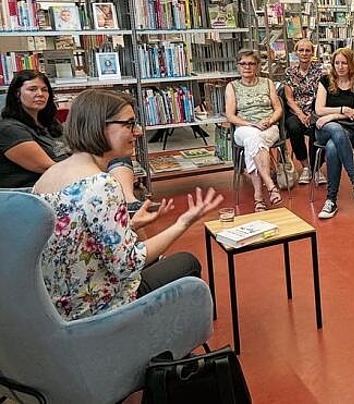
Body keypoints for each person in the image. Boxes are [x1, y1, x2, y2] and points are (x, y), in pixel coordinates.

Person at [32, 89, 223, 321]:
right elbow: (129, 264)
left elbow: (77, 239)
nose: (139, 131)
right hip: (101, 309)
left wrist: (130, 225)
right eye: (129, 124)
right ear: (100, 126)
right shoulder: (101, 184)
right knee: (186, 262)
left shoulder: (48, 177)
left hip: (62, 308)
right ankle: (171, 348)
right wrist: (182, 223)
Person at [0, 71, 138, 205]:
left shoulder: (50, 123)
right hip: (39, 195)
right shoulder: (9, 129)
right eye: (32, 89)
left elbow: (78, 146)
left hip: (78, 178)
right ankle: (122, 199)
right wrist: (93, 174)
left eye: (44, 90)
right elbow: (46, 167)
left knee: (116, 149)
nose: (40, 94)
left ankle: (128, 199)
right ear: (17, 94)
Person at [312, 48, 354, 219]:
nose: (340, 66)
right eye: (337, 63)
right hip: (324, 130)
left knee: (332, 147)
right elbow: (318, 109)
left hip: (350, 130)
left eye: (344, 63)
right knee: (334, 131)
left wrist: (333, 115)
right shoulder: (324, 81)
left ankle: (331, 201)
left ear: (351, 64)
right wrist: (343, 110)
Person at [225, 49, 284, 212]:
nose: (247, 67)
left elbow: (278, 109)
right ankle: (270, 185)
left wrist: (270, 120)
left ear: (257, 66)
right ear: (238, 66)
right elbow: (230, 115)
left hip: (268, 127)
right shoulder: (232, 87)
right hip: (244, 128)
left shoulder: (267, 83)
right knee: (253, 136)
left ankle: (259, 197)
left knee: (254, 141)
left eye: (251, 63)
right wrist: (251, 124)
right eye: (243, 63)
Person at [283, 38, 325, 185]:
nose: (304, 53)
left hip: (316, 109)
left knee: (319, 127)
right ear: (296, 52)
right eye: (301, 50)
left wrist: (312, 114)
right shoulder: (290, 71)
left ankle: (317, 167)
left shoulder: (321, 70)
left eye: (308, 50)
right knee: (293, 127)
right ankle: (306, 166)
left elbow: (324, 94)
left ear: (312, 52)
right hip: (296, 111)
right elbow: (288, 98)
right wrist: (300, 114)